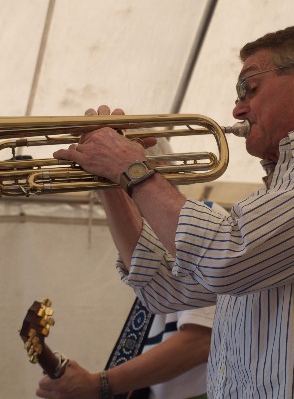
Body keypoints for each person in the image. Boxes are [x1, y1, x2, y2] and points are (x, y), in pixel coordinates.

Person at [51, 24, 294, 397]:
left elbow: (226, 257)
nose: (238, 108)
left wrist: (133, 169)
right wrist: (110, 183)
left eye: (249, 89)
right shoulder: (277, 193)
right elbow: (164, 289)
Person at [36, 139, 217, 399]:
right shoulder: (144, 241)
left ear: (159, 170)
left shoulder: (202, 221)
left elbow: (201, 341)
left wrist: (100, 384)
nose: (104, 193)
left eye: (113, 175)